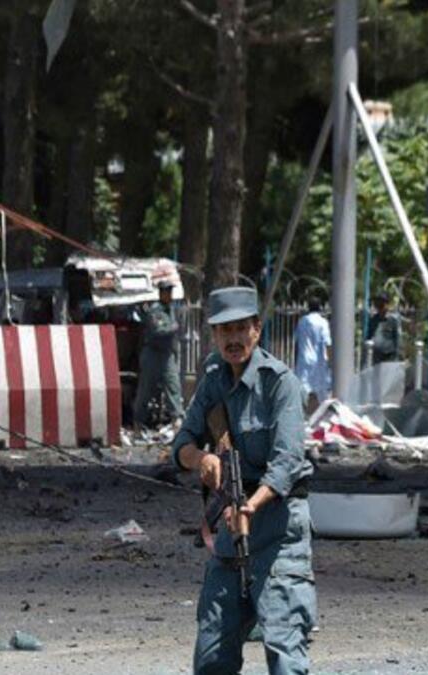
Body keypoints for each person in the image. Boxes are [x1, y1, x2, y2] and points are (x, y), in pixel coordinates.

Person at [172, 286, 316, 674]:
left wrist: (251, 506)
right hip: (232, 527)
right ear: (214, 335)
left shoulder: (279, 383)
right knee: (213, 648)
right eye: (224, 331)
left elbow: (287, 462)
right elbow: (181, 443)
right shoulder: (214, 380)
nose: (233, 339)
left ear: (257, 329)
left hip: (278, 523)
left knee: (285, 646)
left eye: (240, 328)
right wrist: (201, 459)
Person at [133, 279, 183, 429]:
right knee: (146, 389)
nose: (170, 295)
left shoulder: (170, 309)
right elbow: (159, 330)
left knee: (173, 385)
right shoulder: (156, 310)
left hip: (166, 355)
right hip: (153, 354)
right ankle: (138, 420)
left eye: (171, 291)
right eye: (167, 292)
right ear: (161, 293)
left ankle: (177, 419)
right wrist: (175, 326)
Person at [293, 297, 332, 412]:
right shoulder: (323, 322)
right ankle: (316, 414)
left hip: (303, 359)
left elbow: (297, 342)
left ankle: (306, 413)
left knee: (304, 388)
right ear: (320, 308)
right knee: (319, 390)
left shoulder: (302, 321)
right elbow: (327, 343)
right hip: (319, 361)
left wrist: (296, 360)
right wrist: (330, 362)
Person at [364, 293, 400, 364]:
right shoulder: (373, 320)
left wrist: (396, 358)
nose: (380, 308)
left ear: (387, 305)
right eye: (378, 305)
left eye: (382, 305)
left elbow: (397, 340)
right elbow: (369, 336)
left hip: (388, 357)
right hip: (375, 356)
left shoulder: (393, 320)